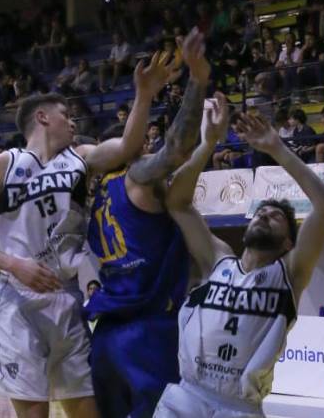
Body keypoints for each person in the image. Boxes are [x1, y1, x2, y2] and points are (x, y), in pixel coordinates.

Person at [0, 41, 172, 418]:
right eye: (65, 114)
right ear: (42, 117)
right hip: (16, 299)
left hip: (66, 296)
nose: (74, 122)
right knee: (35, 413)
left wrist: (143, 96)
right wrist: (13, 264)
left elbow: (129, 145)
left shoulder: (81, 158)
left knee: (88, 411)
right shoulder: (2, 164)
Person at [154, 111, 324, 417]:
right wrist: (207, 143)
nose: (264, 215)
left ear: (288, 243)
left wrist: (277, 149)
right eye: (260, 211)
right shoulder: (217, 260)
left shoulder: (289, 274)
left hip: (239, 406)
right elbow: (178, 202)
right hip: (188, 395)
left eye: (275, 216)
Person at [85, 33, 211, 418]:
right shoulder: (136, 177)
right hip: (147, 332)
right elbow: (175, 148)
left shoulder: (90, 197)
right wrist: (198, 80)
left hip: (104, 336)